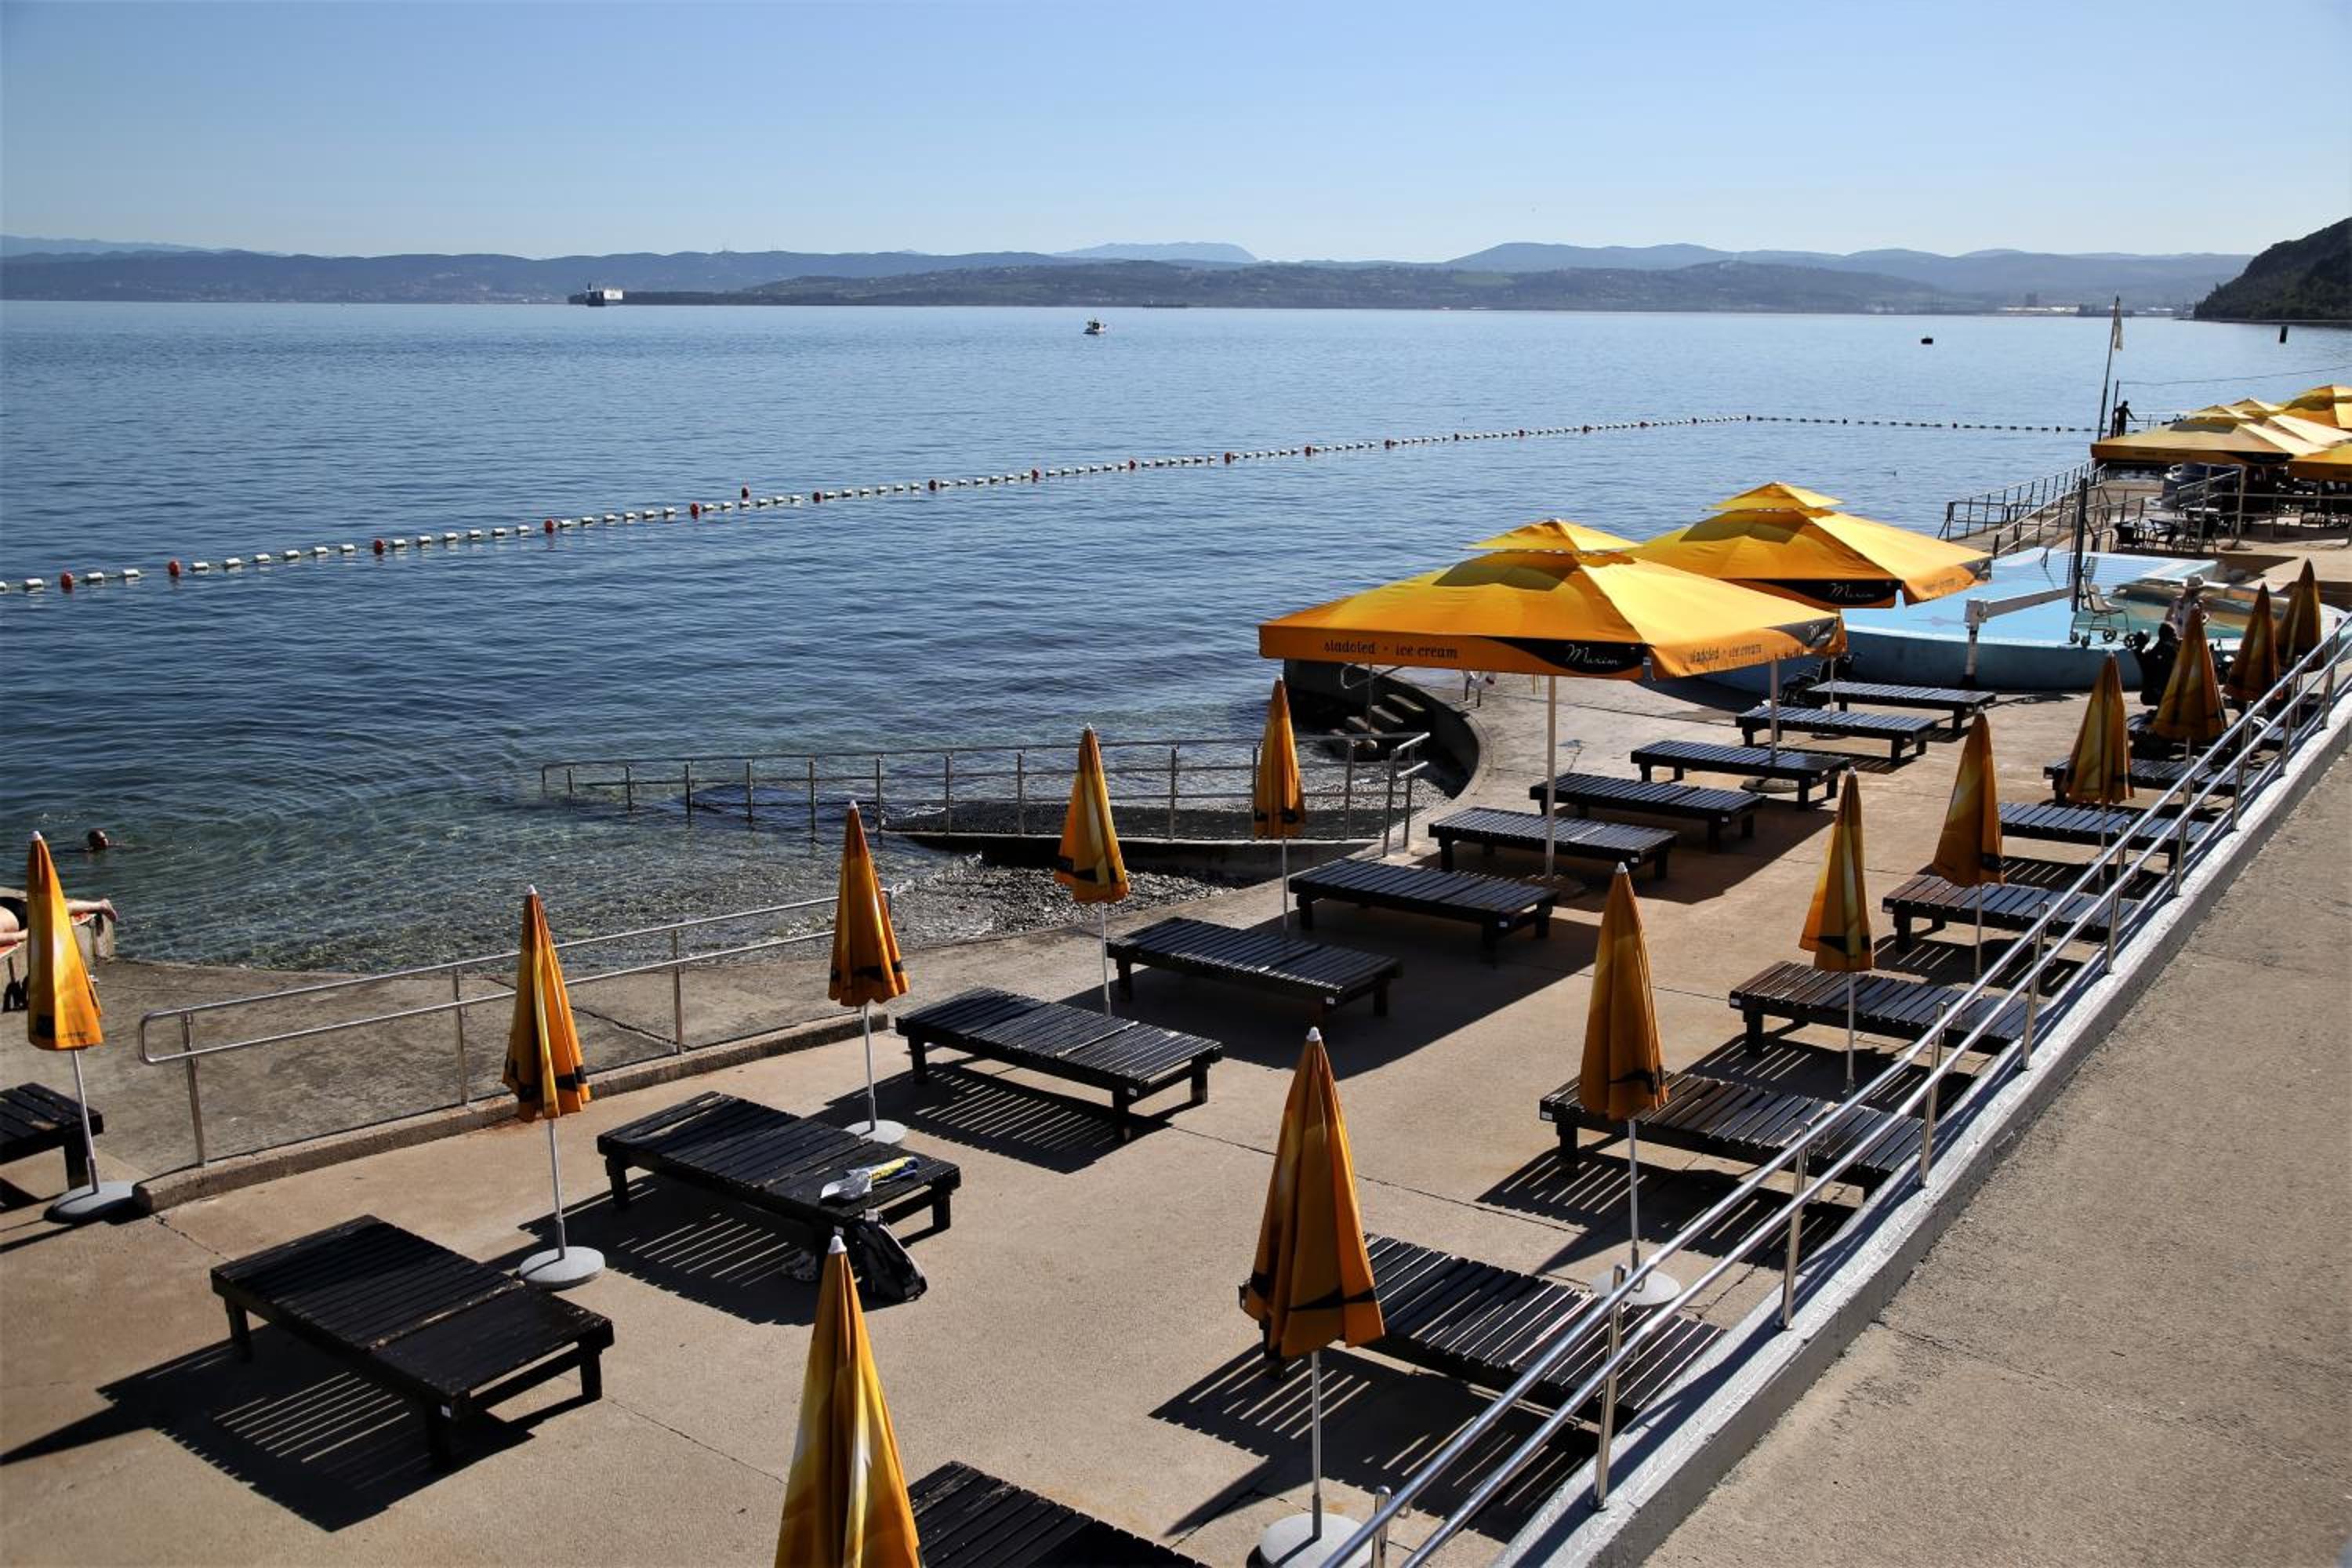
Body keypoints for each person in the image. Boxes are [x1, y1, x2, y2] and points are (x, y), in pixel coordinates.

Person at [2137, 621, 2180, 706]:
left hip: (2151, 692)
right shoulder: (2169, 651)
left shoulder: (2154, 650)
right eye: (2174, 635)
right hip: (2161, 692)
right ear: (2170, 636)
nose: (2176, 637)